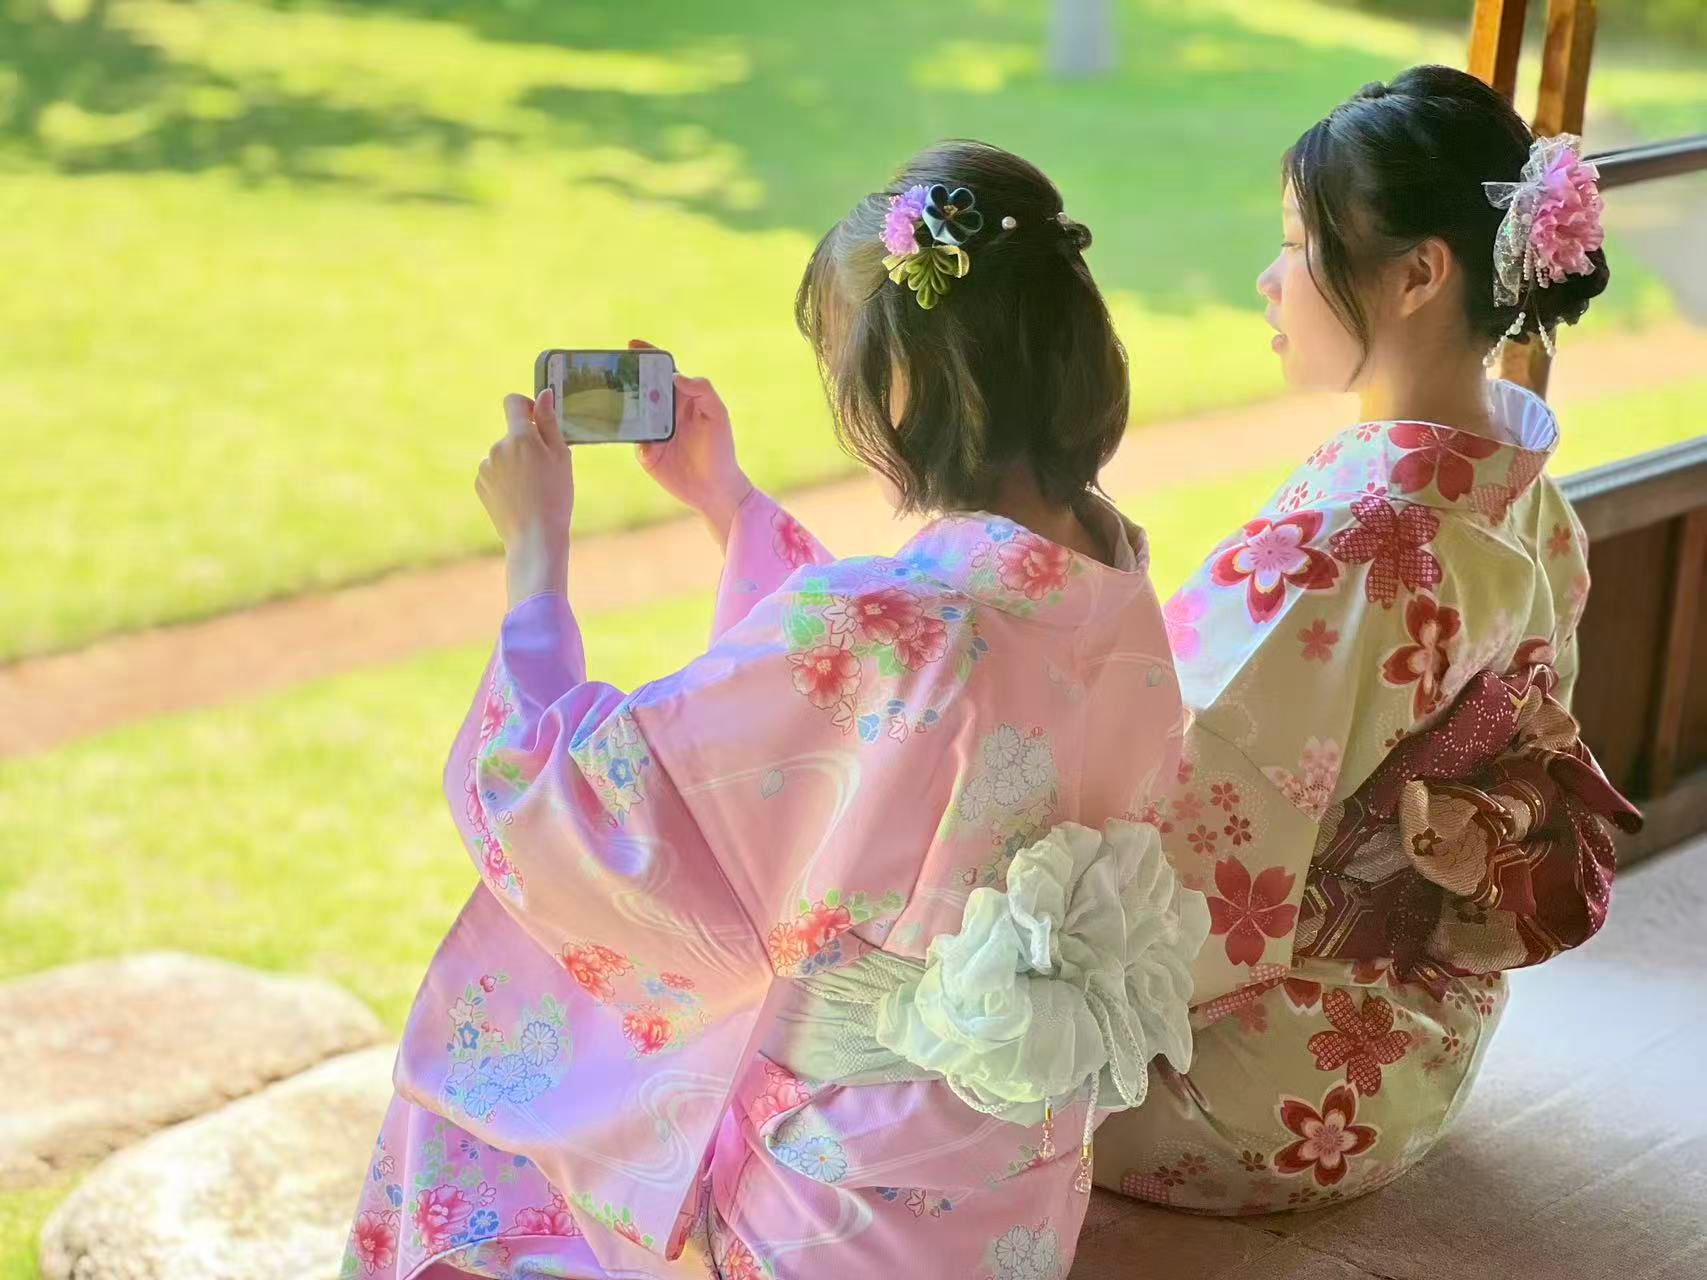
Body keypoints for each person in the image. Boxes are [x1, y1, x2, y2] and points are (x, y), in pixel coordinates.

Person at [340, 140, 1207, 1280]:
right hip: (1012, 1188)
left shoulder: (897, 628)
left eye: (842, 363)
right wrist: (727, 500)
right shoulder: (1110, 590)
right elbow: (873, 702)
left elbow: (573, 805)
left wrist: (536, 554)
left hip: (828, 1204)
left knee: (478, 1091)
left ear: (905, 384)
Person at [1087, 65, 1638, 1212]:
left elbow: (1180, 828)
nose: (1270, 277)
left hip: (1255, 1085)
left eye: (1297, 244)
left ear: (1420, 273)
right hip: (1414, 1051)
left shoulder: (1354, 546)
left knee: (932, 1028)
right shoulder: (1533, 504)